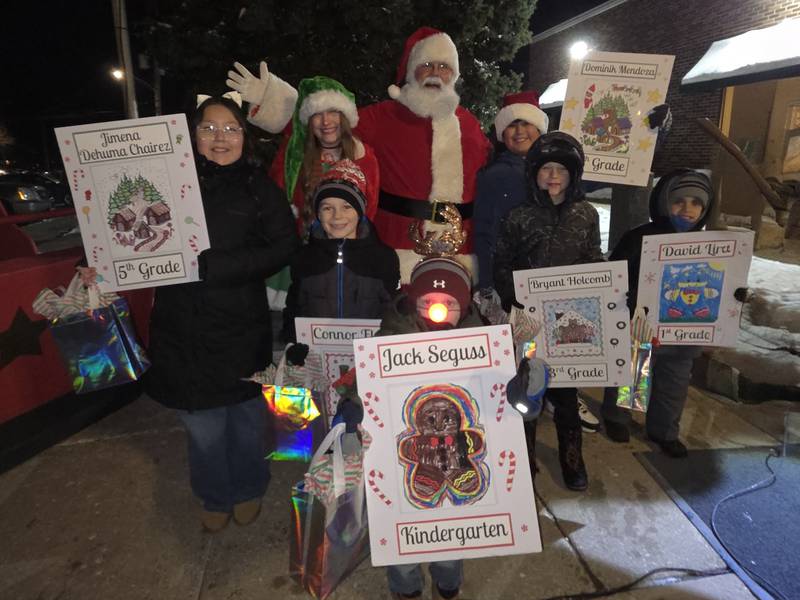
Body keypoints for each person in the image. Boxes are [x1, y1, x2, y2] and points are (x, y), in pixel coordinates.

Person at [227, 27, 492, 283]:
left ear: (454, 75)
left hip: (458, 255)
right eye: (427, 65)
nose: (435, 73)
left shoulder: (469, 124)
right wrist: (275, 99)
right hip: (396, 249)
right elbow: (326, 124)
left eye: (444, 67)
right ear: (412, 71)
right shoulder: (383, 116)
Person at [145, 94, 299, 532]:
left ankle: (249, 486)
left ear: (244, 137)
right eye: (208, 128)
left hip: (238, 324)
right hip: (181, 325)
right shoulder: (166, 183)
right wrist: (100, 258)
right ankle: (214, 493)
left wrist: (219, 267)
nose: (220, 138)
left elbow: (284, 245)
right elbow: (123, 224)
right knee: (202, 425)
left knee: (244, 418)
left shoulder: (257, 187)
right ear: (191, 135)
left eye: (230, 128)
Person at [493, 131, 604, 492]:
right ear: (534, 174)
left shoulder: (585, 214)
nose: (553, 176)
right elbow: (502, 264)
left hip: (570, 323)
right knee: (528, 391)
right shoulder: (518, 216)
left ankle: (573, 458)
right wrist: (513, 304)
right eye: (546, 169)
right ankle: (522, 457)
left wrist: (604, 293)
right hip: (529, 324)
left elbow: (592, 260)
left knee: (568, 398)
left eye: (561, 170)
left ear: (573, 175)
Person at [377, 255, 483, 600]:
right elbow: (363, 382)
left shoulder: (482, 345)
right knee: (401, 523)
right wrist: (354, 401)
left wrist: (520, 391)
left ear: (464, 305)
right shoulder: (389, 337)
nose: (439, 310)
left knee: (450, 531)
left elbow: (499, 406)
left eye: (450, 303)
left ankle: (448, 581)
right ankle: (406, 588)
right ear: (412, 302)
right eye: (427, 301)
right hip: (407, 459)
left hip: (456, 456)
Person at [600, 169, 717, 458]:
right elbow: (615, 274)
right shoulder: (640, 238)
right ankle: (617, 418)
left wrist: (736, 295)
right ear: (665, 202)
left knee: (674, 384)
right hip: (641, 325)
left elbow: (724, 282)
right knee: (632, 377)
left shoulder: (713, 247)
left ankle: (665, 431)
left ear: (705, 208)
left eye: (695, 203)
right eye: (679, 201)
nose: (687, 209)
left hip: (684, 329)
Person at [283, 159, 399, 340]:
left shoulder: (383, 258)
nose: (337, 216)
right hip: (317, 354)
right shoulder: (304, 257)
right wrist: (293, 342)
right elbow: (294, 309)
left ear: (360, 212)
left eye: (347, 207)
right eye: (328, 208)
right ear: (318, 214)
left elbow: (393, 310)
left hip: (367, 356)